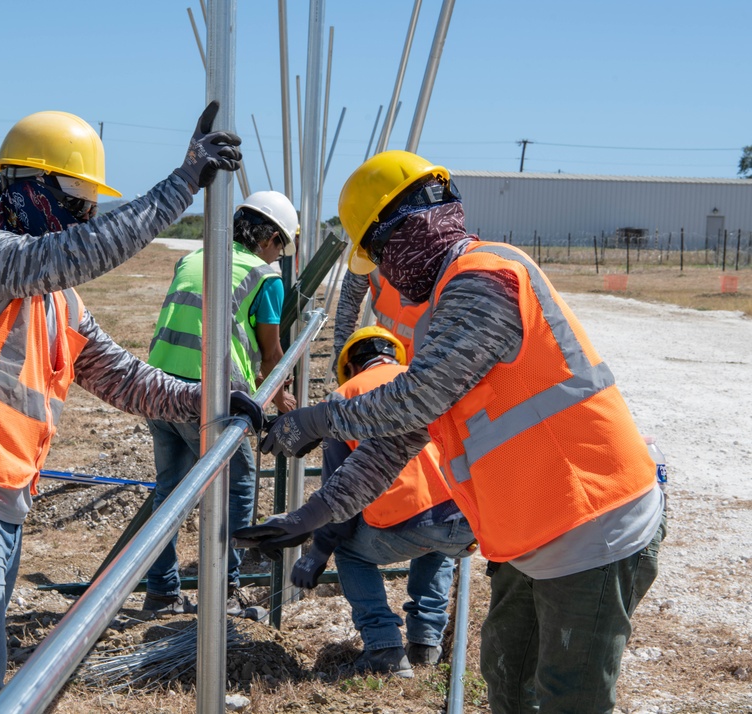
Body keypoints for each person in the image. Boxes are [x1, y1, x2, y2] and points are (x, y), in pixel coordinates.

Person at [236, 150, 666, 713]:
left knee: (569, 701)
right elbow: (399, 436)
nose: (385, 273)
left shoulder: (485, 278)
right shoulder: (441, 308)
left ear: (407, 226)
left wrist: (318, 418)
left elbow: (417, 397)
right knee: (507, 681)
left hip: (593, 522)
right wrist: (316, 515)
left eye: (382, 255)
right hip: (530, 533)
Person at [0, 102, 262, 713]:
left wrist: (207, 401)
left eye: (91, 205)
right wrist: (181, 183)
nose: (86, 216)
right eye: (77, 200)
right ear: (30, 187)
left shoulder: (56, 300)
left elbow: (124, 379)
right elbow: (84, 251)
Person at [143, 190, 299, 618]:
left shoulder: (195, 257)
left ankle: (160, 592)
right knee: (237, 489)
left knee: (170, 492)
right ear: (267, 237)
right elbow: (271, 354)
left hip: (157, 387)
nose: (279, 255)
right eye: (280, 244)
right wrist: (282, 397)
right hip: (210, 396)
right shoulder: (266, 277)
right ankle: (224, 593)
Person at [289, 326, 476, 678]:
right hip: (464, 521)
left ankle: (384, 648)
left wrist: (318, 552)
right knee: (435, 541)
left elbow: (339, 499)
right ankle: (425, 643)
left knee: (350, 552)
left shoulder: (343, 399)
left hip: (401, 528)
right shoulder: (427, 381)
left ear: (349, 367)